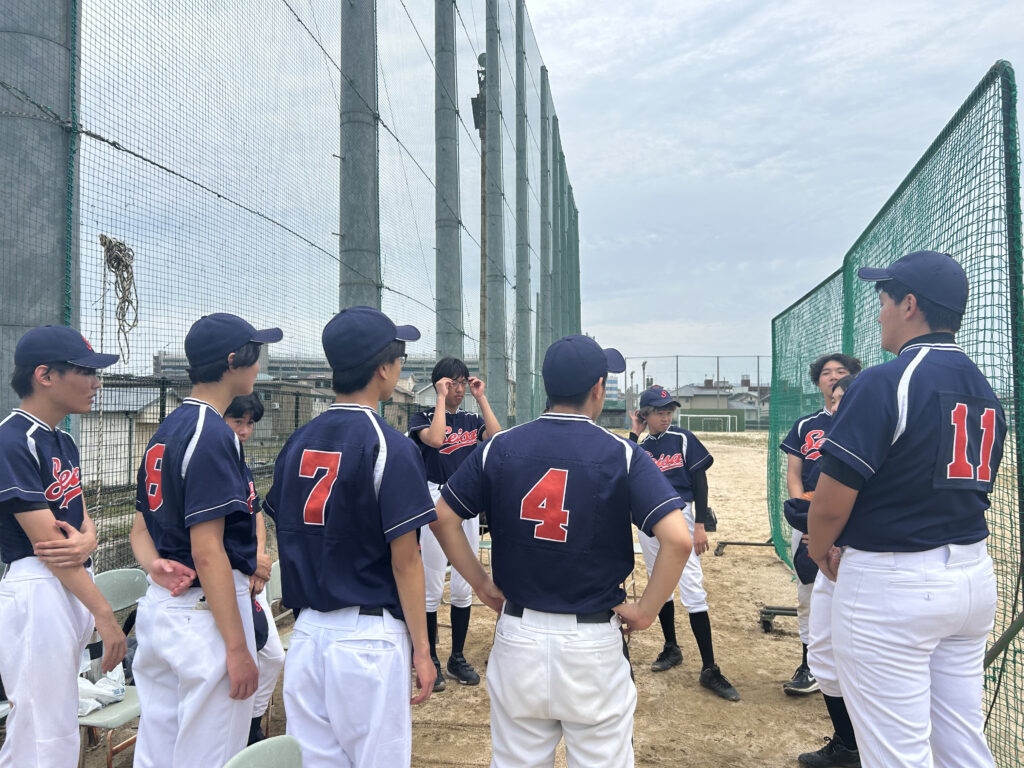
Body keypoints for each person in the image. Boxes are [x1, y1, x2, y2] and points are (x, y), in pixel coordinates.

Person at [430, 334, 692, 768]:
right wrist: (646, 611)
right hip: (591, 640)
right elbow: (678, 539)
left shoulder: (500, 446)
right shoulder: (621, 452)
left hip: (519, 634)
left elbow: (443, 517)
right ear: (597, 389)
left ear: (547, 387)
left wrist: (481, 585)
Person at [809, 251, 1004, 768]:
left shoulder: (885, 379)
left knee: (897, 754)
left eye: (885, 300)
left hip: (894, 584)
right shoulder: (985, 386)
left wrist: (819, 548)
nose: (880, 314)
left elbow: (829, 504)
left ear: (910, 304)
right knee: (961, 745)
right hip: (971, 576)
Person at [263, 306, 437, 768]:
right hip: (368, 641)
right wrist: (423, 649)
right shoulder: (389, 445)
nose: (399, 366)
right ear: (383, 369)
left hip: (307, 634)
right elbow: (406, 561)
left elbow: (283, 524)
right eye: (398, 357)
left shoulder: (298, 440)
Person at [130, 313, 282, 767]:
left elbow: (141, 529)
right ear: (233, 361)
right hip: (204, 615)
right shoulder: (213, 432)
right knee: (210, 758)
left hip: (163, 606)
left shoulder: (169, 427)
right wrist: (237, 647)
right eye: (254, 356)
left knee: (158, 752)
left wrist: (152, 564)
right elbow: (208, 550)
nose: (258, 366)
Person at [0, 325, 126, 767]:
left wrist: (89, 538)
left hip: (71, 583)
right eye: (85, 371)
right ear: (45, 375)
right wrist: (105, 614)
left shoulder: (63, 438)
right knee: (42, 730)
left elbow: (80, 519)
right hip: (37, 587)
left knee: (59, 722)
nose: (96, 382)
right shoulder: (12, 438)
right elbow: (48, 545)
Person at [628, 385, 739, 701]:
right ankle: (671, 647)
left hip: (682, 514)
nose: (665, 417)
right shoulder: (639, 447)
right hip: (648, 518)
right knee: (658, 583)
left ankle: (710, 668)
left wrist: (700, 524)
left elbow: (700, 481)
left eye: (669, 411)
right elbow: (622, 465)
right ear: (645, 415)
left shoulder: (682, 438)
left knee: (691, 585)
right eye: (658, 412)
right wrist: (635, 431)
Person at [408, 356, 500, 690]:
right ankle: (431, 656)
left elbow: (496, 436)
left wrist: (481, 398)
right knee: (432, 582)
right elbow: (435, 440)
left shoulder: (471, 419)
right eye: (452, 382)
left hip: (466, 498)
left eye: (462, 382)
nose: (459, 388)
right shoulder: (422, 416)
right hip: (434, 498)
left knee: (464, 583)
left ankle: (456, 657)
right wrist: (440, 398)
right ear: (439, 384)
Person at [778, 352, 861, 695]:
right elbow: (794, 475)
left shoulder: (865, 420)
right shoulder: (805, 425)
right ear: (817, 382)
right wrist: (805, 515)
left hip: (853, 521)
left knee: (852, 591)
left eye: (841, 371)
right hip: (811, 515)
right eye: (827, 372)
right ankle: (810, 663)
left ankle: (850, 667)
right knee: (809, 591)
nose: (834, 377)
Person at [795, 373, 861, 768]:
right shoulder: (834, 440)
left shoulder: (868, 436)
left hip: (862, 562)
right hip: (834, 560)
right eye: (832, 399)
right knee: (823, 651)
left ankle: (862, 744)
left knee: (860, 659)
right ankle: (848, 743)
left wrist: (823, 542)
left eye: (841, 399)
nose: (834, 407)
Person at [222, 393, 285, 744]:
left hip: (249, 577)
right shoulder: (213, 457)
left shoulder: (238, 458)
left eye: (249, 423)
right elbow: (207, 539)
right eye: (238, 422)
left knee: (272, 657)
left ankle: (250, 727)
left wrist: (259, 561)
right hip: (225, 581)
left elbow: (255, 513)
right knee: (239, 664)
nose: (245, 430)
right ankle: (240, 732)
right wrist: (251, 564)